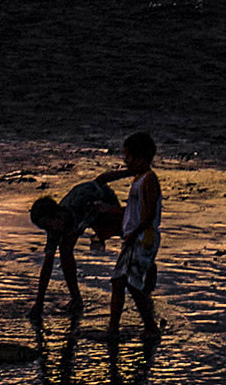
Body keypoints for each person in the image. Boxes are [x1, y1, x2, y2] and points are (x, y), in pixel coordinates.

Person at [27, 176, 124, 320]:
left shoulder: (80, 203)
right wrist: (39, 302)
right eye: (46, 228)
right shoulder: (54, 229)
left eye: (49, 225)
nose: (51, 231)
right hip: (82, 220)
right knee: (65, 249)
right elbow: (47, 265)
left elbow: (100, 180)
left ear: (57, 215)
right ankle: (76, 298)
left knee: (123, 230)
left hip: (103, 201)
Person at [108, 131, 163, 343]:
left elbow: (149, 214)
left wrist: (135, 233)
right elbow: (136, 210)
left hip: (142, 238)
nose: (125, 161)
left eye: (128, 157)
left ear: (140, 159)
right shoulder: (139, 179)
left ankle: (151, 327)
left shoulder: (149, 180)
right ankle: (113, 328)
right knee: (118, 281)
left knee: (131, 283)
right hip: (134, 237)